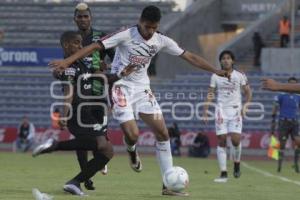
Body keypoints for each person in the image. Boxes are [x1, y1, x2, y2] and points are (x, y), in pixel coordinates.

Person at [49, 5, 228, 196]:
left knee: (163, 133)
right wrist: (67, 62)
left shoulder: (161, 40)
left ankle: (167, 186)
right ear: (140, 22)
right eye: (147, 27)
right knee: (133, 134)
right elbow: (95, 46)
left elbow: (189, 56)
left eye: (153, 27)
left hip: (143, 90)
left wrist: (215, 70)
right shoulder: (126, 34)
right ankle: (131, 148)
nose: (150, 31)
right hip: (120, 88)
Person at [32, 31, 134, 196]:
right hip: (77, 113)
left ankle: (75, 181)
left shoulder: (82, 64)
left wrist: (121, 74)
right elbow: (68, 91)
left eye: (81, 43)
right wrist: (64, 115)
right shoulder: (69, 68)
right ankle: (56, 149)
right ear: (66, 45)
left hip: (86, 112)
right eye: (77, 43)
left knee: (106, 150)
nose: (81, 47)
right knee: (103, 147)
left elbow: (101, 78)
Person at [73, 2, 115, 187]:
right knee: (80, 138)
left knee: (100, 135)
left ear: (91, 18)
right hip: (78, 92)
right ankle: (85, 177)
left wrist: (109, 68)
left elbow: (116, 58)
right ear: (75, 19)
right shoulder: (71, 39)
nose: (83, 19)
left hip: (98, 92)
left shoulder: (101, 37)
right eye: (79, 16)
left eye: (86, 16)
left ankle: (99, 160)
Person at [203, 50, 252, 183]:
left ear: (232, 61)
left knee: (236, 140)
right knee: (222, 140)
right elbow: (210, 93)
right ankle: (223, 173)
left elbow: (248, 92)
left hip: (235, 111)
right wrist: (205, 109)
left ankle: (236, 162)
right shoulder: (215, 76)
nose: (226, 60)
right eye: (223, 58)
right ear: (220, 61)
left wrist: (246, 105)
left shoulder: (240, 75)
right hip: (221, 111)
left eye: (228, 58)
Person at [270, 77, 300, 173]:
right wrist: (273, 120)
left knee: (298, 143)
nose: (292, 86)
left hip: (294, 122)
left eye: (294, 84)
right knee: (282, 145)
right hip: (284, 122)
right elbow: (275, 107)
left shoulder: (298, 96)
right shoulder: (281, 96)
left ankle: (296, 165)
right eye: (290, 84)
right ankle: (279, 166)